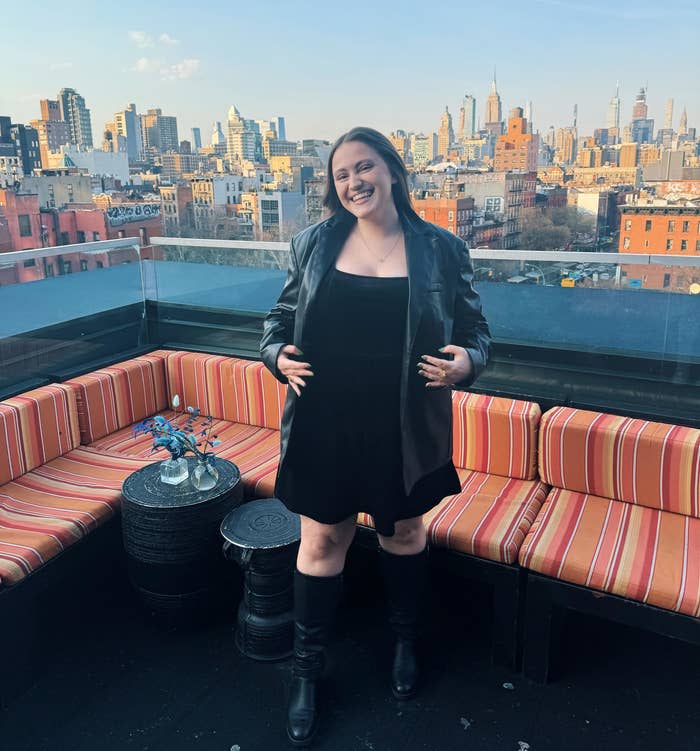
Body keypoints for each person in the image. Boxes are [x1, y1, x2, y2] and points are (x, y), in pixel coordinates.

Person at [260, 126, 491, 747]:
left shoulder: (440, 248)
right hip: (325, 419)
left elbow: (475, 330)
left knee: (405, 531)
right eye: (341, 175)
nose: (354, 182)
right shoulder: (313, 242)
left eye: (365, 168)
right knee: (322, 539)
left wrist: (467, 363)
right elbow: (279, 318)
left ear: (392, 171)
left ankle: (405, 646)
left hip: (405, 423)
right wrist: (277, 352)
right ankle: (306, 672)